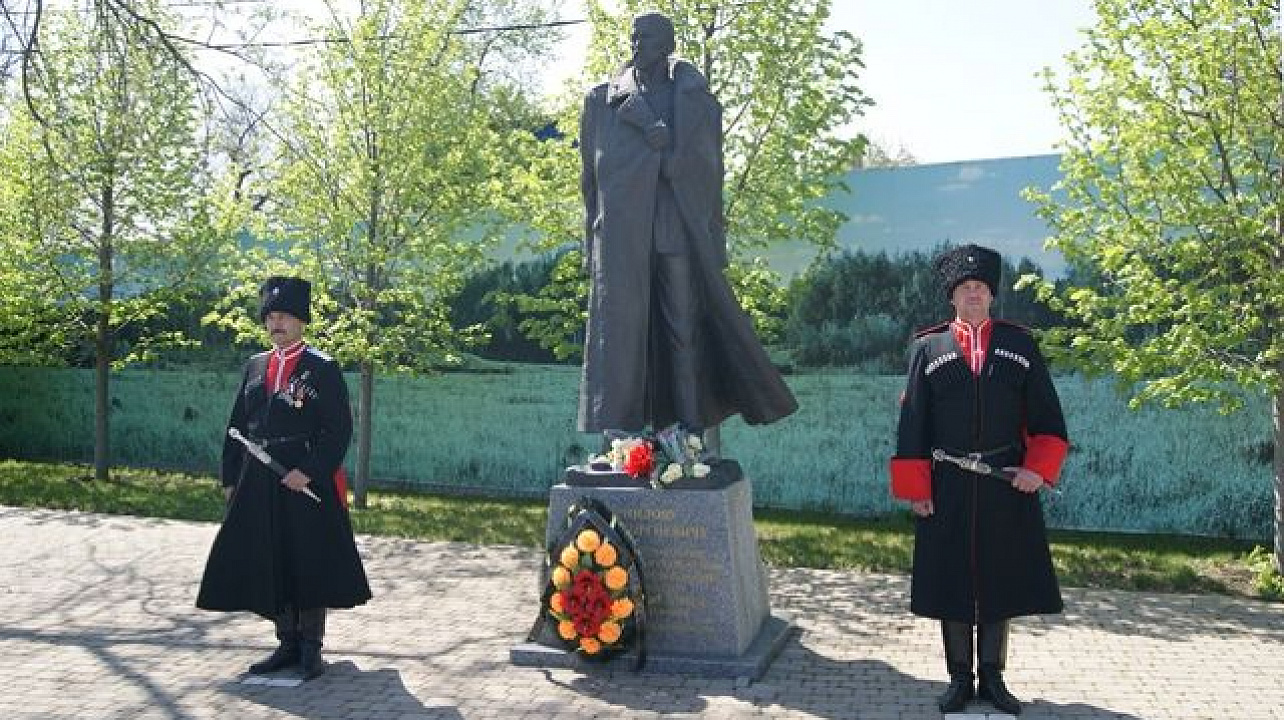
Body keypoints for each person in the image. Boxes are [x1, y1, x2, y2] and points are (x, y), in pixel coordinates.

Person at [576, 12, 796, 443]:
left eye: (647, 38)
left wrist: (671, 154)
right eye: (634, 37)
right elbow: (591, 182)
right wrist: (590, 244)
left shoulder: (696, 101)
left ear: (668, 46)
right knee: (622, 332)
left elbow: (712, 173)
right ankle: (622, 436)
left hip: (675, 228)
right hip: (622, 238)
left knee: (684, 328)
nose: (637, 44)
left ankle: (688, 432)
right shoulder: (602, 102)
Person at [889, 244, 1069, 715]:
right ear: (952, 296)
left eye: (981, 287)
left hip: (1004, 482)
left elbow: (1048, 416)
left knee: (999, 578)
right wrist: (917, 489)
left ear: (991, 295)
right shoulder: (927, 348)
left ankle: (993, 677)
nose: (973, 293)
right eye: (965, 287)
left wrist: (1037, 469)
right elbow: (913, 423)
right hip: (946, 484)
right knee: (950, 580)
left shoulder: (1020, 345)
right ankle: (958, 679)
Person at [197, 276, 371, 681]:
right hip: (258, 480)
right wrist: (230, 477)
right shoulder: (255, 366)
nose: (277, 323)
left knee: (306, 558)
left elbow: (338, 430)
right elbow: (236, 426)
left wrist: (308, 471)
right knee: (269, 557)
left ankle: (311, 647)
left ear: (301, 321)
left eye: (285, 316)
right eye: (271, 316)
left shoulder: (321, 368)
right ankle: (286, 642)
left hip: (304, 480)